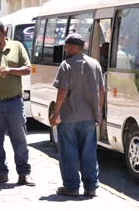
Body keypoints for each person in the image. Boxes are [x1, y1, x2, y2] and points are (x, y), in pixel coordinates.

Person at [0, 21, 35, 186]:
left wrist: (10, 70)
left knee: (20, 140)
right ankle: (1, 172)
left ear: (4, 33)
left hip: (14, 102)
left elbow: (27, 69)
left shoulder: (17, 46)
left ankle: (24, 173)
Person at [50, 33, 105, 197]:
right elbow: (101, 91)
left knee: (68, 152)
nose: (65, 49)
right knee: (89, 152)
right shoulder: (95, 64)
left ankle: (72, 187)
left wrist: (56, 112)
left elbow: (62, 91)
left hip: (69, 117)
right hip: (89, 117)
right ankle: (91, 187)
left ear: (74, 47)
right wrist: (99, 113)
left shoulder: (66, 65)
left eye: (67, 46)